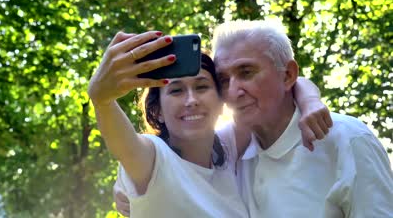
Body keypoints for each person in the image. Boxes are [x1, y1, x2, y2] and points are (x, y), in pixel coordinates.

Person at [89, 31, 331, 217]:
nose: (191, 100)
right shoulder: (152, 159)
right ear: (158, 111)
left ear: (221, 99)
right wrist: (102, 100)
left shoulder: (228, 148)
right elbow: (121, 141)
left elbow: (284, 81)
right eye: (175, 91)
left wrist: (310, 101)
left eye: (202, 87)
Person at [211, 19, 393, 217]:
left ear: (288, 75)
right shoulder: (227, 154)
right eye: (223, 80)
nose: (233, 91)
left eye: (246, 72)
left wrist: (311, 99)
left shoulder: (348, 139)